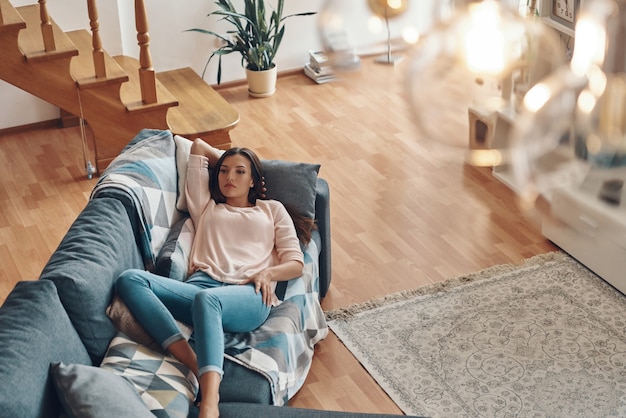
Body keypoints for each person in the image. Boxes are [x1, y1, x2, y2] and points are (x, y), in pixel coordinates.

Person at [115, 139, 308, 418]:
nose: (230, 177)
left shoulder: (272, 210)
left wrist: (268, 273)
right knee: (131, 279)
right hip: (200, 288)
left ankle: (210, 402)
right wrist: (233, 161)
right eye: (224, 171)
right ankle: (195, 364)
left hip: (248, 292)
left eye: (240, 172)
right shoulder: (205, 206)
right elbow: (197, 147)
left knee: (209, 300)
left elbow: (295, 263)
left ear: (254, 180)